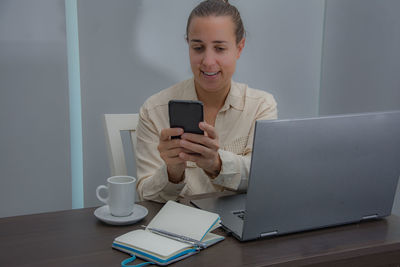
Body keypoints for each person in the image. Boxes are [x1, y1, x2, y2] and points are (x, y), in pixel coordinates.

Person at [135, 0, 277, 202]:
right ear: (188, 46)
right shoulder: (153, 109)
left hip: (237, 229)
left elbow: (265, 178)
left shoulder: (261, 106)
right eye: (198, 48)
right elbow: (146, 196)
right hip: (178, 226)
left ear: (239, 48)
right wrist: (172, 172)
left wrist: (217, 163)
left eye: (219, 48)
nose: (208, 61)